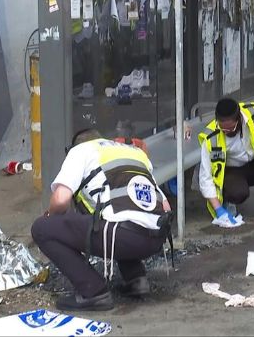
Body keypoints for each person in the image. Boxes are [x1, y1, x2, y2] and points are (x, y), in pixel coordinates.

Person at [31, 129, 172, 311]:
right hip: (156, 238)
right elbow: (166, 206)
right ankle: (136, 279)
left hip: (123, 237)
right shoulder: (134, 153)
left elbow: (60, 199)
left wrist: (49, 217)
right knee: (118, 212)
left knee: (42, 228)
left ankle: (94, 292)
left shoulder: (81, 151)